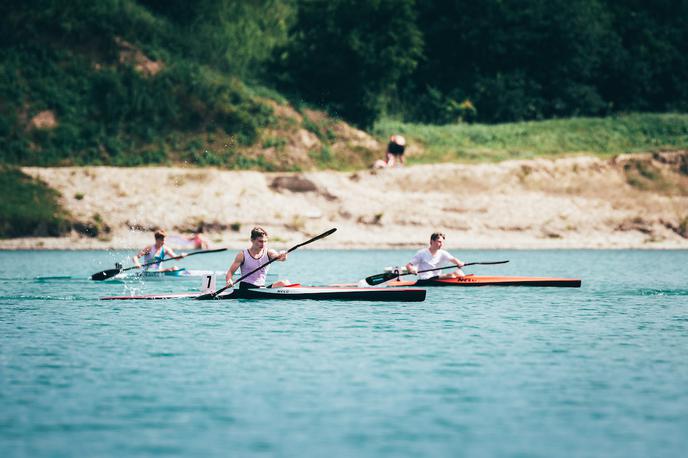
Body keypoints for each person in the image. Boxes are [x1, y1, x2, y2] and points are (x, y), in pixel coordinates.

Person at [225, 226, 290, 289]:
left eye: (265, 241)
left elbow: (279, 257)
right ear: (252, 240)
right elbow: (230, 272)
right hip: (246, 288)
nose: (263, 244)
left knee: (285, 283)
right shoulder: (242, 255)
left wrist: (283, 256)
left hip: (261, 288)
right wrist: (229, 280)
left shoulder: (269, 253)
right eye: (260, 241)